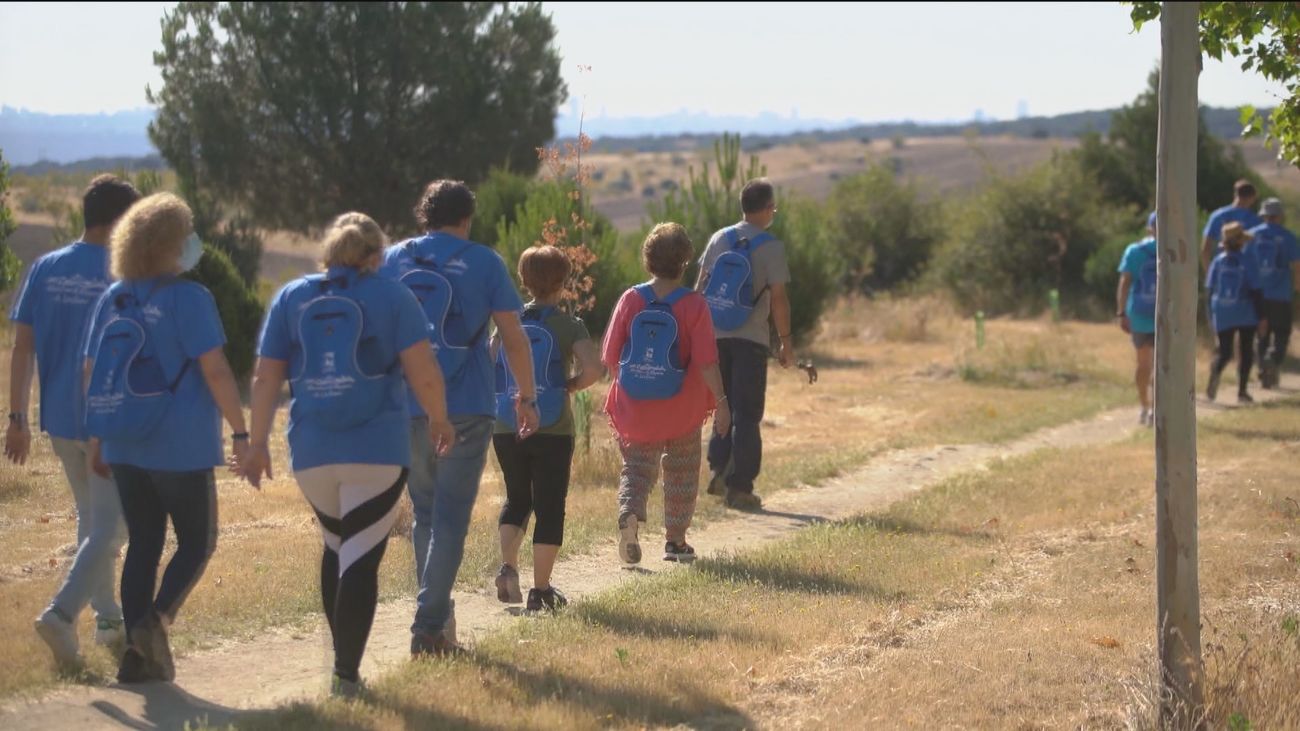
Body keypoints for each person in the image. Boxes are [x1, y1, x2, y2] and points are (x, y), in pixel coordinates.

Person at [241, 213, 456, 697]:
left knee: (338, 546)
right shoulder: (391, 294)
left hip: (312, 453)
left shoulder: (292, 297)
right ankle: (345, 676)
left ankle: (344, 666)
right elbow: (423, 370)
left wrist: (255, 444)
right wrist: (439, 418)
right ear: (377, 256)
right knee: (359, 556)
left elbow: (264, 378)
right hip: (376, 451)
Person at [82, 193, 250, 683]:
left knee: (144, 543)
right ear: (170, 243)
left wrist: (100, 438)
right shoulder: (189, 298)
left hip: (125, 443)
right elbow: (216, 371)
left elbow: (94, 374)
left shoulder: (111, 299)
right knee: (197, 542)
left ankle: (137, 656)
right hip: (180, 444)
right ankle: (153, 625)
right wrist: (240, 431)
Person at [379, 180, 539, 656]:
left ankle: (439, 619)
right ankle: (429, 627)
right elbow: (513, 336)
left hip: (407, 404)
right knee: (448, 518)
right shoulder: (484, 262)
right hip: (467, 404)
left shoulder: (392, 259)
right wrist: (526, 397)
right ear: (466, 219)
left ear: (424, 216)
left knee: (426, 515)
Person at [7, 174, 139, 667]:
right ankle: (64, 614)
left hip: (60, 418)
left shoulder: (45, 268)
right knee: (115, 526)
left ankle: (108, 621)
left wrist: (16, 417)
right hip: (111, 421)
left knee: (94, 518)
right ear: (124, 220)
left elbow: (21, 348)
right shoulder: (125, 275)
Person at [602, 223, 730, 564]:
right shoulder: (694, 305)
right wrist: (721, 402)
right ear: (685, 262)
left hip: (638, 407)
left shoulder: (631, 299)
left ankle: (630, 514)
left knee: (637, 468)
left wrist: (633, 388)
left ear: (648, 259)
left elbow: (611, 355)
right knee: (683, 470)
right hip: (682, 408)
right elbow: (706, 362)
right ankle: (675, 542)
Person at [491, 245, 604, 613]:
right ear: (564, 281)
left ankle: (508, 568)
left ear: (523, 281)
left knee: (516, 498)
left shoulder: (506, 323)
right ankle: (541, 592)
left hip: (506, 423)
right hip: (553, 427)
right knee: (549, 505)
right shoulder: (568, 325)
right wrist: (569, 386)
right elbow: (594, 369)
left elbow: (491, 364)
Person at [695, 178, 793, 511]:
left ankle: (719, 469)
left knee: (722, 405)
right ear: (766, 209)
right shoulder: (771, 247)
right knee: (747, 414)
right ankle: (740, 487)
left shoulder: (719, 238)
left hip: (715, 337)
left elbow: (700, 289)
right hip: (750, 339)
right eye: (773, 207)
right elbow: (779, 300)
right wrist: (786, 343)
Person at [1205, 221, 1267, 403]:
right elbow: (1256, 291)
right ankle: (1242, 391)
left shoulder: (1217, 261)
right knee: (1246, 351)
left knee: (1224, 351)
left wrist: (1211, 313)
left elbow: (1209, 289)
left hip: (1222, 309)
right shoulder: (1248, 261)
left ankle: (1214, 375)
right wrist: (1262, 316)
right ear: (1241, 242)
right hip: (1245, 311)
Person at [1245, 197, 1300, 389]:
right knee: (1282, 333)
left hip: (1257, 294)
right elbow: (1296, 266)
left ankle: (1263, 372)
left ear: (1263, 215)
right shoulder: (1288, 237)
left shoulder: (1250, 235)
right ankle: (1272, 358)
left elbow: (1244, 264)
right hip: (1281, 294)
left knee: (1261, 334)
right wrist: (1296, 287)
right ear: (1280, 216)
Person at [1116, 211, 1158, 426]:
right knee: (1160, 365)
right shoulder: (1173, 251)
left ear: (1149, 228)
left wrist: (1121, 312)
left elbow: (1125, 282)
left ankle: (1144, 406)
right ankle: (1157, 410)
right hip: (1164, 316)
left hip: (1139, 313)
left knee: (1143, 363)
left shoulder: (1134, 251)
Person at [1202, 179, 1261, 271]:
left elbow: (1205, 249)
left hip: (1222, 270)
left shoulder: (1217, 216)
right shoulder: (1255, 220)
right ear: (1252, 198)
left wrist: (1209, 275)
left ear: (1235, 194)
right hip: (1245, 273)